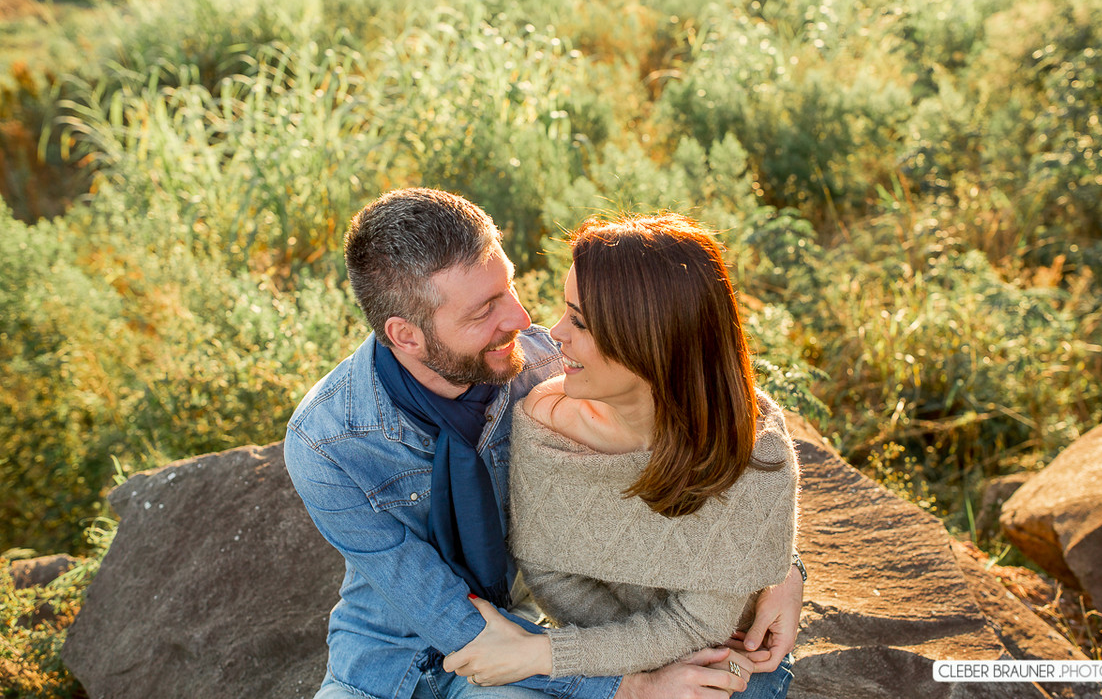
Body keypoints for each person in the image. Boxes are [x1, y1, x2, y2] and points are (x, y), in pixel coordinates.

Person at [284, 188, 806, 699]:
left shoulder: (547, 367)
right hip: (382, 662)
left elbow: (703, 394)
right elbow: (444, 614)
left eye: (508, 287)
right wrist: (630, 687)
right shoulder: (327, 443)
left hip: (523, 645)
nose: (519, 319)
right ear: (406, 335)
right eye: (483, 310)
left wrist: (776, 563)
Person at [441, 214, 800, 699]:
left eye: (581, 322)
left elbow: (703, 624)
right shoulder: (546, 426)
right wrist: (635, 673)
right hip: (607, 650)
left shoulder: (751, 450)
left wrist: (541, 654)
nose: (554, 333)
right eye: (566, 311)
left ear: (650, 342)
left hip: (727, 649)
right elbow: (549, 574)